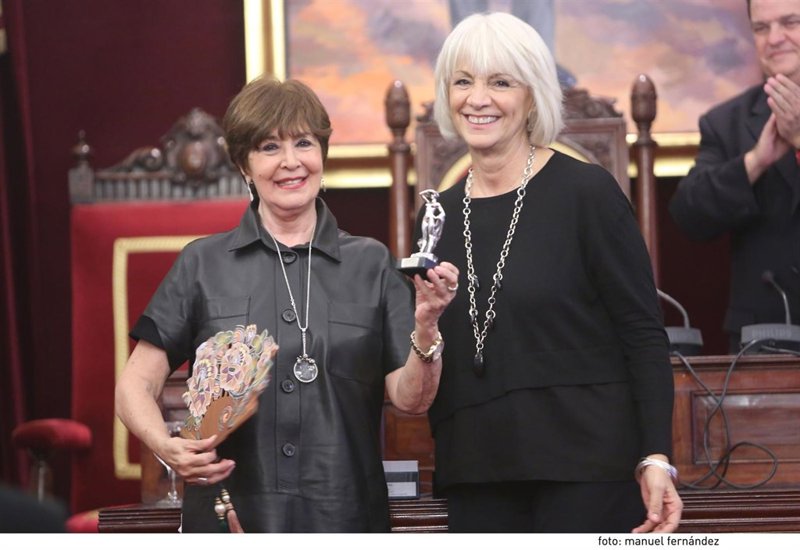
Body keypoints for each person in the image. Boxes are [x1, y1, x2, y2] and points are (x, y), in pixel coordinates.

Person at [114, 76, 459, 532]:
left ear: (322, 155)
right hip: (229, 519)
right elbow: (134, 385)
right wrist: (166, 446)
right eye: (269, 147)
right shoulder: (201, 263)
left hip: (345, 517)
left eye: (303, 143)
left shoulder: (371, 263)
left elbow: (411, 400)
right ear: (244, 164)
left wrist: (428, 326)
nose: (291, 162)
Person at [419, 12, 682, 533]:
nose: (478, 99)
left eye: (500, 82)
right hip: (477, 472)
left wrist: (656, 455)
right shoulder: (436, 215)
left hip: (587, 471)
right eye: (463, 81)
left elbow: (642, 332)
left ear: (533, 95)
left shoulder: (588, 193)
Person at [669, 0, 800, 352]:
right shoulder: (727, 121)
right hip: (763, 342)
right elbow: (689, 215)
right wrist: (754, 162)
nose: (774, 38)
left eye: (790, 22)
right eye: (761, 28)